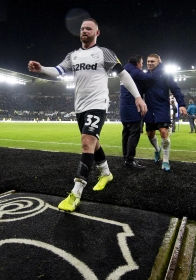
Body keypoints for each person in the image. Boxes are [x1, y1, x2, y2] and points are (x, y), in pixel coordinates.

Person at [28, 18, 147, 212]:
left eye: (89, 28)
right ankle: (106, 173)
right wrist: (41, 69)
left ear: (97, 33)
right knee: (94, 142)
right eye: (82, 28)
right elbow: (58, 71)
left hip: (98, 103)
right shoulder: (72, 56)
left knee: (86, 141)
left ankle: (76, 193)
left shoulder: (104, 53)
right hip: (80, 107)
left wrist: (137, 97)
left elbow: (123, 75)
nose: (85, 31)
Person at [143, 54, 187, 172]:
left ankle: (166, 160)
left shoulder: (165, 74)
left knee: (163, 132)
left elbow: (175, 89)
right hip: (149, 109)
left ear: (158, 62)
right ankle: (157, 150)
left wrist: (181, 104)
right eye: (148, 61)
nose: (150, 63)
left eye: (152, 61)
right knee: (150, 134)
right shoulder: (145, 76)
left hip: (162, 108)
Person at [120, 54, 162, 169]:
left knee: (126, 133)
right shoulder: (135, 71)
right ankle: (129, 160)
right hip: (133, 108)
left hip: (123, 108)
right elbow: (152, 78)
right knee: (134, 134)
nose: (142, 66)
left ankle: (126, 158)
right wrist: (160, 65)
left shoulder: (124, 70)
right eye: (142, 63)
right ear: (137, 63)